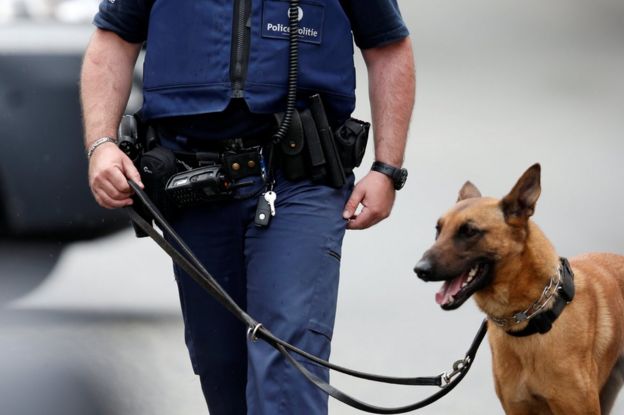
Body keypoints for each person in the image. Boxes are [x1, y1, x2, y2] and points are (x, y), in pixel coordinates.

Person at [81, 1, 415, 414]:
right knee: (222, 369)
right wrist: (102, 144)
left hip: (300, 181)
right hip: (194, 184)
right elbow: (114, 36)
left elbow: (389, 46)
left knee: (287, 358)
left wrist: (387, 168)